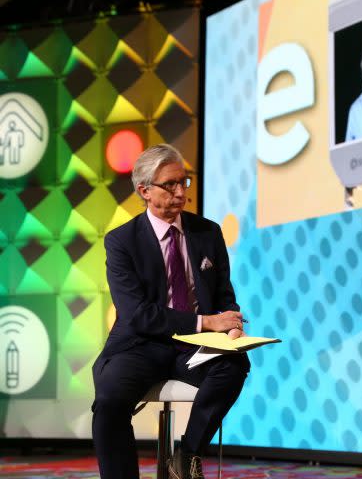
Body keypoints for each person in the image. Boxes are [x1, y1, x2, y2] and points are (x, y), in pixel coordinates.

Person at [91, 144, 249, 479]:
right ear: (144, 191)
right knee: (109, 402)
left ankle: (187, 455)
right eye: (170, 185)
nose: (181, 193)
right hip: (141, 344)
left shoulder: (208, 232)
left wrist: (232, 325)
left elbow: (223, 294)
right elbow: (137, 315)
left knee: (234, 365)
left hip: (195, 346)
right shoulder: (121, 241)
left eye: (184, 182)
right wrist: (205, 322)